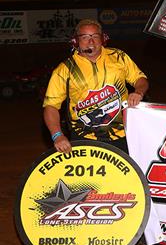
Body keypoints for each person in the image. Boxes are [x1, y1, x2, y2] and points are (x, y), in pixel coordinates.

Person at [43, 19, 149, 154]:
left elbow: (140, 79)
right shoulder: (64, 69)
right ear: (76, 41)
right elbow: (51, 106)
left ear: (103, 39)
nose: (91, 42)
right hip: (84, 138)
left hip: (124, 134)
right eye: (85, 37)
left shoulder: (118, 57)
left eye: (95, 36)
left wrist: (139, 92)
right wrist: (57, 135)